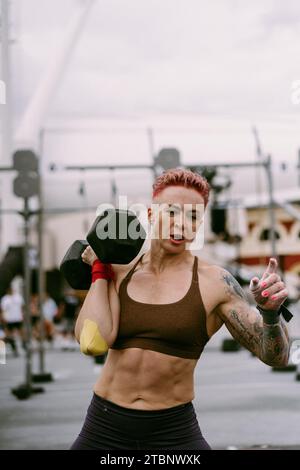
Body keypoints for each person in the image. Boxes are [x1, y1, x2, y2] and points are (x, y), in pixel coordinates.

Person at [70, 168, 290, 450]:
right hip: (103, 428)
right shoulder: (120, 271)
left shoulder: (217, 284)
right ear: (151, 215)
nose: (182, 223)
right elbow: (93, 343)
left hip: (173, 432)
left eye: (193, 216)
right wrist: (101, 268)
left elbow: (277, 357)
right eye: (172, 211)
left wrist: (270, 314)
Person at [0, 286, 24, 357]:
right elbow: (2, 309)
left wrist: (22, 315)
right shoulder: (5, 299)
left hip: (18, 318)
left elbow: (22, 307)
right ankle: (13, 348)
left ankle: (23, 345)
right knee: (8, 334)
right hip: (9, 319)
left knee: (20, 332)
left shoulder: (18, 297)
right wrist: (3, 318)